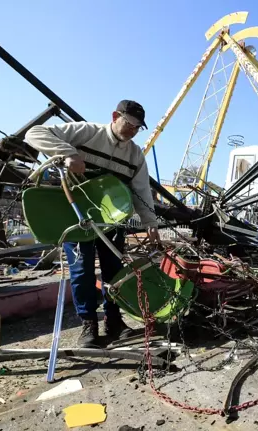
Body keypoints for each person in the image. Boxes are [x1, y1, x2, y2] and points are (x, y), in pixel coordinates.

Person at [25, 100, 161, 348]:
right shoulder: (87, 132)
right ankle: (88, 325)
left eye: (137, 127)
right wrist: (69, 153)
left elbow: (142, 190)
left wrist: (151, 222)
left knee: (115, 272)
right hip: (78, 217)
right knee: (82, 270)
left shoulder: (135, 154)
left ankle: (115, 323)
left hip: (113, 220)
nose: (132, 130)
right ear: (114, 116)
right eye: (129, 123)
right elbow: (34, 133)